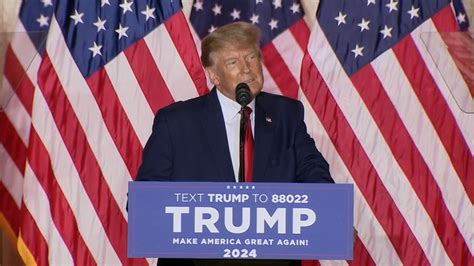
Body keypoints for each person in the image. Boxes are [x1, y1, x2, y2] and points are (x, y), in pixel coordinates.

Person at [136, 22, 334, 266]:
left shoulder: (286, 114)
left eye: (251, 57)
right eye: (233, 62)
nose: (246, 70)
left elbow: (312, 170)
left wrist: (331, 214)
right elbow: (148, 197)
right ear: (213, 75)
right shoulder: (176, 122)